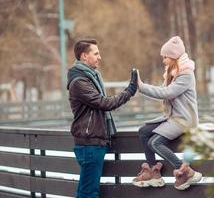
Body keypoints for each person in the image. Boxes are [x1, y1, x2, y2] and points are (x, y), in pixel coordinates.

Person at [67, 38, 137, 198]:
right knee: (88, 193)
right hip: (89, 144)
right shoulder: (79, 82)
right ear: (84, 56)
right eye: (96, 53)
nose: (100, 57)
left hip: (94, 143)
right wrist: (130, 91)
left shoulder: (90, 78)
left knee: (87, 191)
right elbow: (104, 103)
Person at [132, 36, 202, 190]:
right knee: (144, 131)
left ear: (174, 57)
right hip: (172, 117)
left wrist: (141, 86)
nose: (163, 60)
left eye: (165, 57)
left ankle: (185, 171)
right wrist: (141, 86)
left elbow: (167, 93)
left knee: (154, 142)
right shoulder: (171, 73)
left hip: (184, 120)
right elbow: (162, 91)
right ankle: (152, 171)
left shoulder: (186, 75)